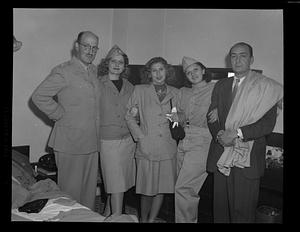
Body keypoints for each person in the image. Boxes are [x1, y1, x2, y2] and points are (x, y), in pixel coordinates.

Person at [206, 42, 283, 223]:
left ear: (251, 60)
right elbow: (211, 116)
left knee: (243, 212)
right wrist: (219, 135)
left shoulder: (265, 87)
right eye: (233, 56)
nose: (238, 59)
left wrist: (237, 133)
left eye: (243, 55)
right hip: (221, 153)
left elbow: (267, 124)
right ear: (229, 60)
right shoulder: (221, 85)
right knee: (221, 210)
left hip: (248, 156)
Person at [31, 31, 101, 211]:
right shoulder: (64, 71)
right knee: (71, 195)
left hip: (91, 142)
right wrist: (60, 115)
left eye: (94, 47)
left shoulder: (94, 71)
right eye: (86, 46)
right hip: (70, 142)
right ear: (77, 46)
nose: (90, 51)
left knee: (88, 193)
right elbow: (39, 96)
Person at [125, 57, 179, 223]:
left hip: (167, 148)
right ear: (149, 74)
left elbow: (179, 119)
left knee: (161, 188)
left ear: (167, 71)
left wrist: (178, 117)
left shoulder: (175, 92)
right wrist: (140, 136)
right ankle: (143, 220)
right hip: (147, 146)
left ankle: (152, 220)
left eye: (161, 69)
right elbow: (129, 116)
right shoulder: (139, 90)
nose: (158, 74)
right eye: (154, 70)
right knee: (147, 190)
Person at [174, 57, 216, 223]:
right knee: (183, 187)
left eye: (195, 70)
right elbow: (174, 113)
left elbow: (233, 102)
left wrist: (220, 109)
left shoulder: (216, 88)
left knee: (184, 188)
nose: (193, 74)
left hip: (203, 139)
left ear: (203, 70)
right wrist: (175, 118)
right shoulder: (182, 92)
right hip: (184, 139)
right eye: (188, 72)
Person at [97, 45, 136, 217]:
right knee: (116, 183)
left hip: (128, 140)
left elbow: (136, 110)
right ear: (107, 63)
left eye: (121, 62)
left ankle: (108, 215)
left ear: (125, 66)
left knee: (119, 184)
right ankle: (118, 218)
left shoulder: (130, 86)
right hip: (108, 140)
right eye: (113, 61)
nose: (117, 64)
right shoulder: (98, 83)